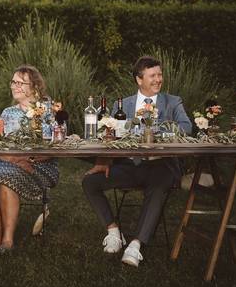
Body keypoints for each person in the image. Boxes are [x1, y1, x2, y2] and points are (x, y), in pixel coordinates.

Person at [81, 55, 193, 267]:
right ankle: (114, 232)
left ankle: (136, 245)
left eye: (160, 74)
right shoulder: (123, 104)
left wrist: (154, 129)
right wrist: (103, 160)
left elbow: (186, 127)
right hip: (130, 165)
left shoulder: (173, 102)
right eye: (153, 75)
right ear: (139, 79)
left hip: (162, 165)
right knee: (90, 182)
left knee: (159, 185)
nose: (158, 79)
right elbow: (110, 135)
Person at [0, 65, 59, 254]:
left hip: (39, 165)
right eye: (13, 82)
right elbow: (0, 145)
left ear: (35, 87)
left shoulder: (47, 110)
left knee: (7, 182)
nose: (15, 86)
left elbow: (56, 144)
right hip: (7, 161)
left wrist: (29, 159)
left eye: (20, 83)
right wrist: (13, 158)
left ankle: (7, 241)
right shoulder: (7, 113)